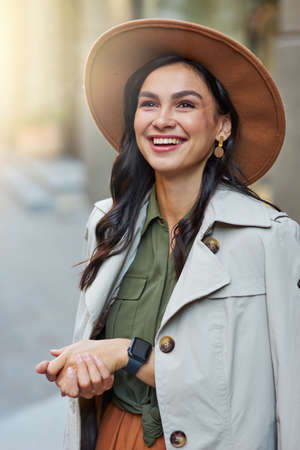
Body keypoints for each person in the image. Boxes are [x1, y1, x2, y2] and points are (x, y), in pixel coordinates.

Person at [35, 19, 300, 450]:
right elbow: (100, 354)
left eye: (184, 105)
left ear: (222, 126)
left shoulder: (269, 238)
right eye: (148, 104)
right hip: (114, 435)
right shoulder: (109, 222)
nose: (162, 120)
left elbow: (285, 392)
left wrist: (129, 352)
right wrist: (85, 372)